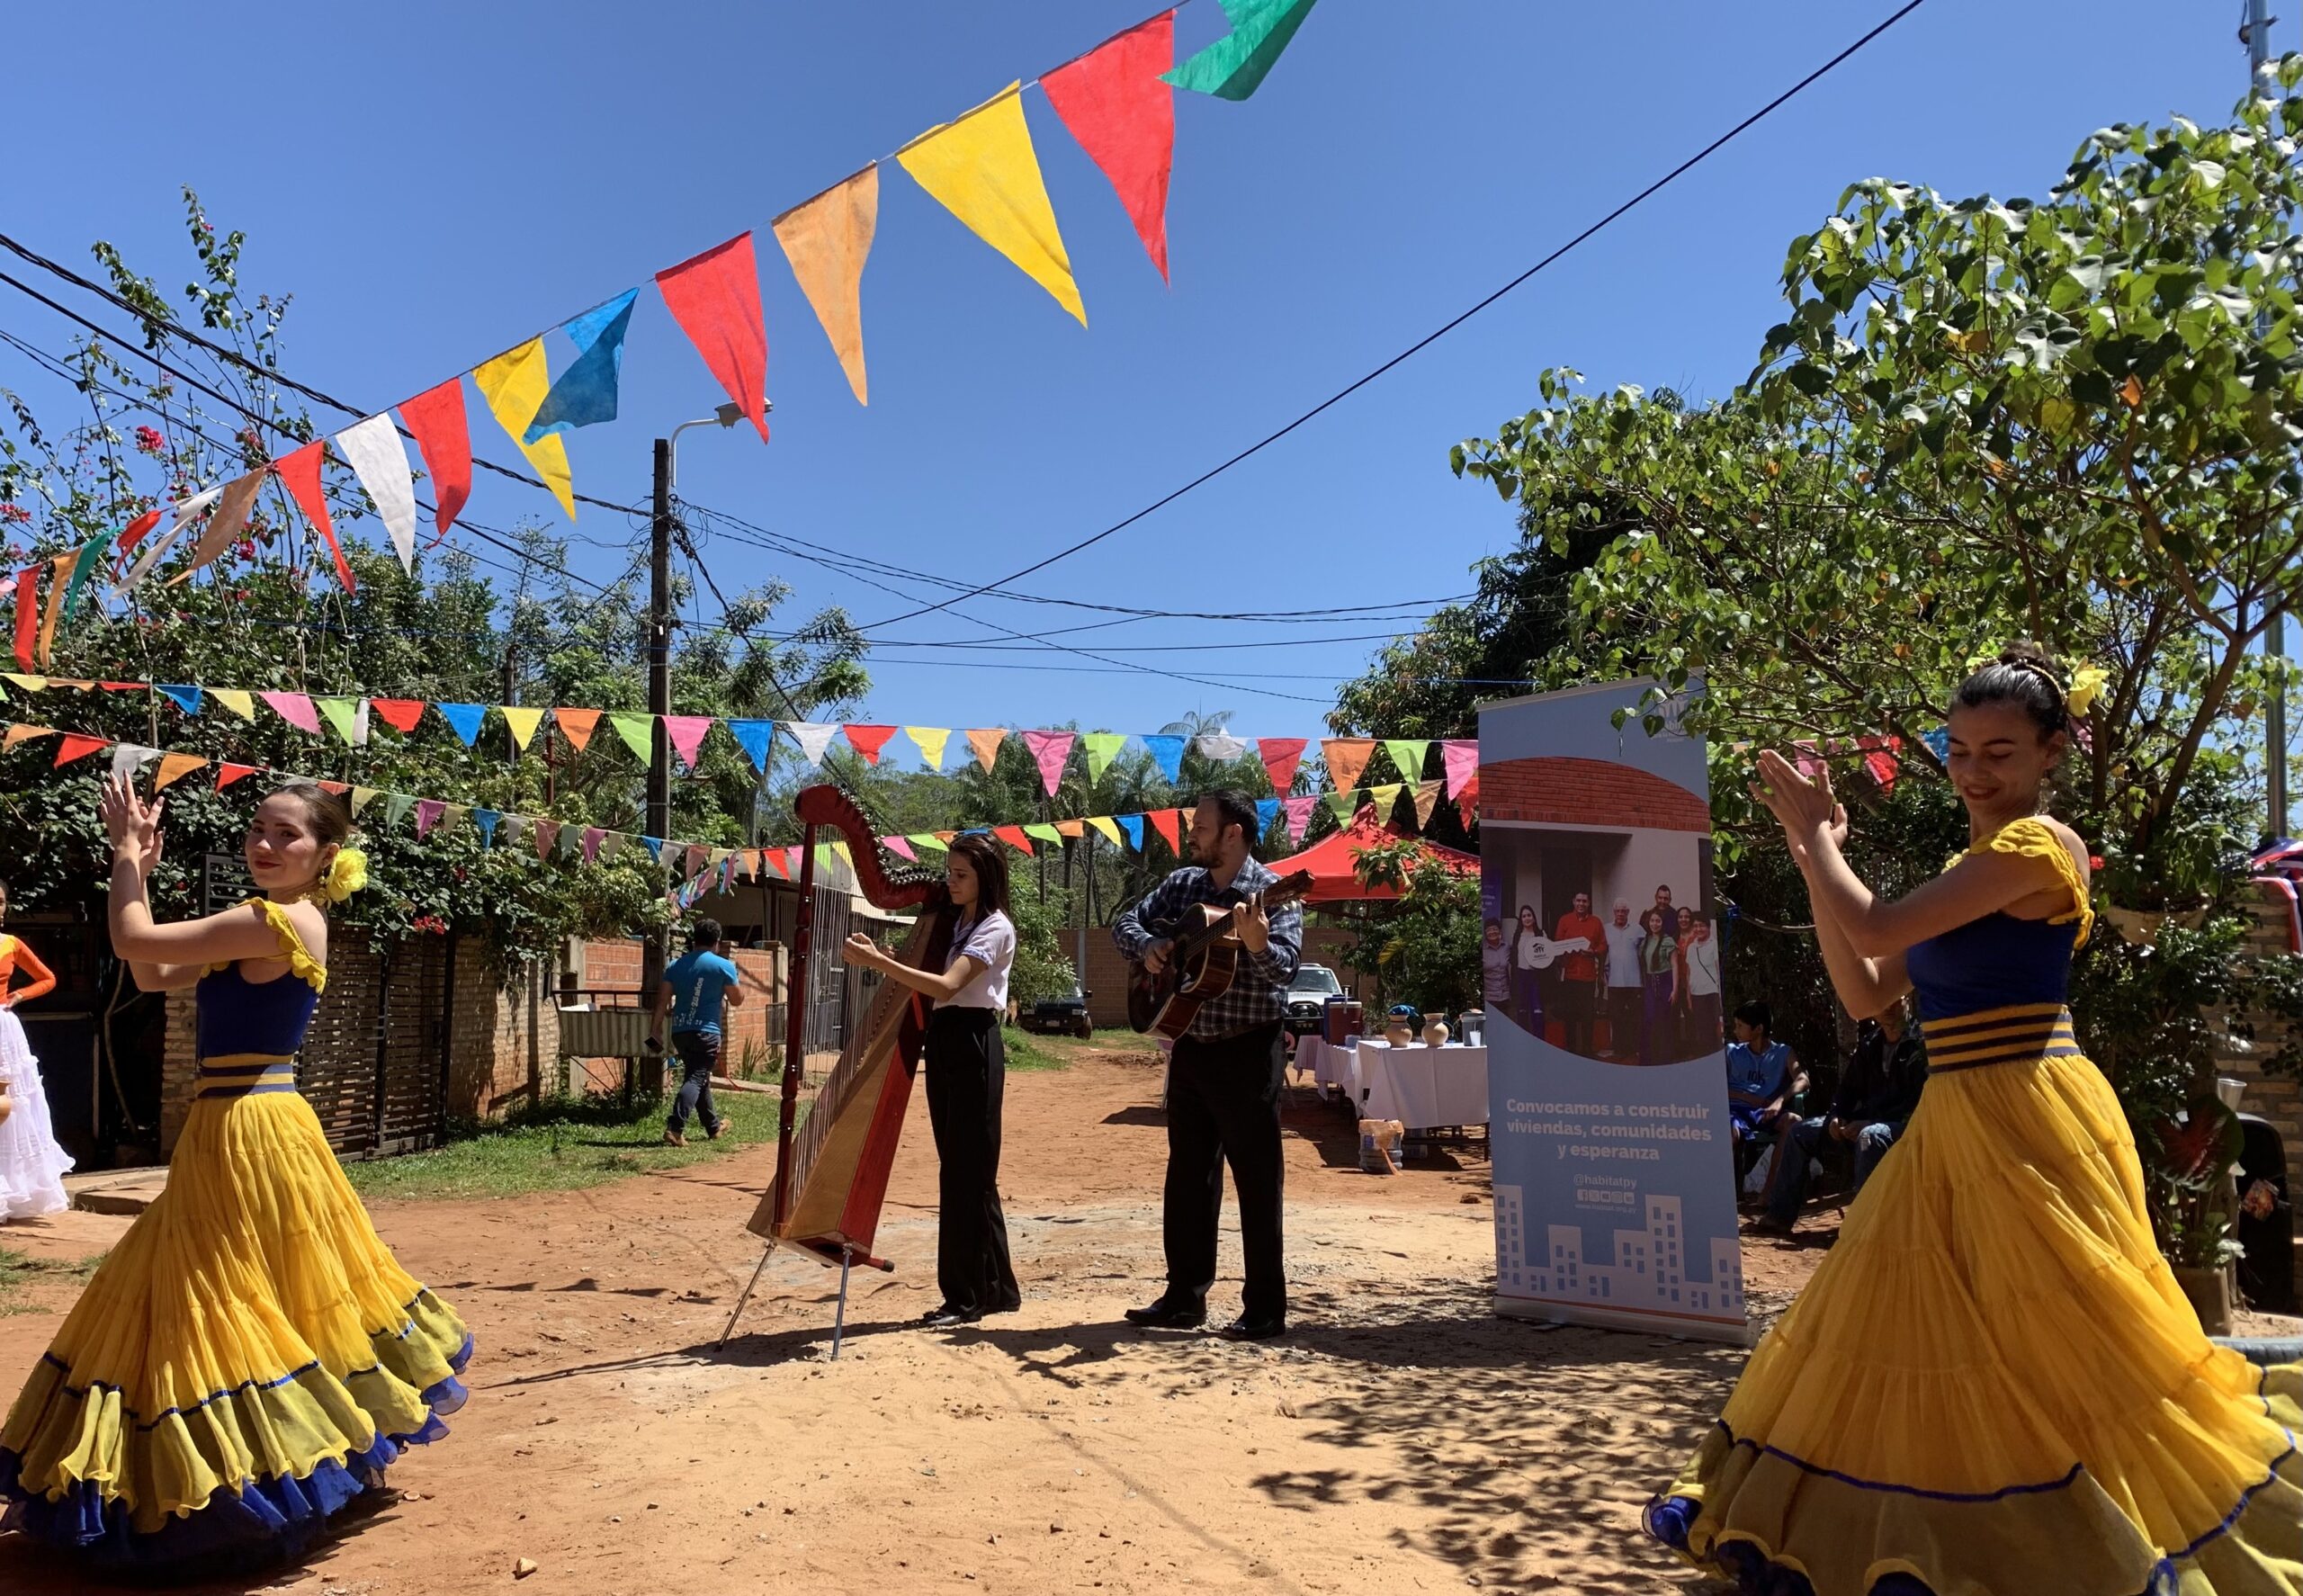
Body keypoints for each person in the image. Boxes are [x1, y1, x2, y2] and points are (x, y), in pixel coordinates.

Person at [1644, 648, 2302, 1590]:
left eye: (1999, 749)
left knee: (2066, 1336)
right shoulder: (1968, 866)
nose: (1973, 769)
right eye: (1957, 749)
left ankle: (2105, 1526)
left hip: (2031, 1110)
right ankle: (1991, 1529)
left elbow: (1872, 925)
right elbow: (1868, 982)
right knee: (1940, 1334)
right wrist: (1807, 849)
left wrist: (1826, 840)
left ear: (2048, 756)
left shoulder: (2041, 849)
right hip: (1956, 1116)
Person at [1, 777, 469, 1568]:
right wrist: (139, 874)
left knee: (209, 1293)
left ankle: (241, 1482)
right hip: (253, 1120)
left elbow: (131, 945)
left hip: (244, 1123)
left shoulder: (272, 919)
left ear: (325, 855)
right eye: (257, 828)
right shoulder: (275, 924)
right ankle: (291, 1463)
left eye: (286, 835)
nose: (263, 844)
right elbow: (153, 976)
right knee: (265, 1285)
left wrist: (123, 857)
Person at [1113, 790, 1304, 1340]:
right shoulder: (1183, 885)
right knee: (1189, 1176)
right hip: (1191, 1045)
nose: (1191, 834)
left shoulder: (1277, 895)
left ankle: (1265, 1309)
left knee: (1257, 1179)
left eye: (1201, 826)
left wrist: (1259, 943)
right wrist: (1148, 945)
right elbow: (1128, 920)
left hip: (1249, 1049)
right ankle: (1183, 1298)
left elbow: (1284, 973)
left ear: (1233, 835)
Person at [840, 833, 1021, 1327]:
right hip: (944, 1040)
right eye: (950, 871)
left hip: (974, 1043)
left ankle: (964, 1298)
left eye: (961, 874)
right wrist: (888, 956)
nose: (950, 881)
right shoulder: (954, 921)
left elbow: (946, 985)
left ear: (986, 877)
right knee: (968, 1170)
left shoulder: (994, 928)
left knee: (966, 1172)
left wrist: (880, 963)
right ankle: (999, 1288)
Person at [1753, 1000, 1926, 1236]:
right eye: (1881, 1000)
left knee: (1869, 1138)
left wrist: (1870, 1123)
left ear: (1907, 1000)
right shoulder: (1871, 1045)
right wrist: (1837, 1117)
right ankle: (1779, 1217)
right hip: (1866, 1122)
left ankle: (1864, 1231)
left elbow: (1920, 1101)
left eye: (1894, 1000)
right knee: (1800, 1132)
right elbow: (1847, 1091)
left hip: (1907, 1126)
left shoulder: (1921, 1044)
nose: (1887, 1007)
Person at [0, 879, 71, 1220]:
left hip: (3, 1030)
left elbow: (48, 978)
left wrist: (20, 995)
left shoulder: (11, 944)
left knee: (10, 1107)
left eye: (0, 902)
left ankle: (11, 1190)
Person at [652, 918, 745, 1147]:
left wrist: (655, 1029)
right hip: (707, 1032)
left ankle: (713, 1127)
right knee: (695, 1077)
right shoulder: (723, 966)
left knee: (699, 1076)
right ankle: (675, 1127)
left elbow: (663, 1000)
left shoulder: (675, 965)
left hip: (681, 1031)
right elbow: (736, 1000)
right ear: (717, 942)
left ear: (694, 940)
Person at [1723, 1000, 1797, 1144]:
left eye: (1740, 1026)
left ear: (1758, 1029)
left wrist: (1779, 1101)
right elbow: (1714, 1088)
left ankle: (1774, 1168)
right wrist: (1747, 1098)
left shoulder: (1783, 1052)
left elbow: (1803, 1080)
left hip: (1764, 1112)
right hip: (1735, 1111)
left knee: (1793, 1122)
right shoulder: (1731, 1051)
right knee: (1728, 1133)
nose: (1735, 1030)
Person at [1552, 891, 1608, 1055]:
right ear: (1573, 902)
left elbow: (1603, 945)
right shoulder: (1565, 920)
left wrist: (1594, 951)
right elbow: (1557, 943)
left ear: (1589, 903)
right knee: (1569, 1014)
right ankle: (1571, 1049)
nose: (1581, 904)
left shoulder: (1596, 922)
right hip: (1569, 975)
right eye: (1578, 901)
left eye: (1584, 901)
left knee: (1587, 1016)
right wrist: (1565, 949)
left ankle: (1587, 1050)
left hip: (1588, 976)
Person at [1677, 910, 1722, 1060]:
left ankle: (1714, 1059)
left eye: (1702, 926)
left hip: (1712, 994)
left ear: (1708, 927)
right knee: (1702, 1031)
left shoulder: (1714, 945)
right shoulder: (1691, 947)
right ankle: (1706, 1059)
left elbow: (1717, 970)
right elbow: (1689, 974)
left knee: (1713, 1030)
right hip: (1697, 995)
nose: (1698, 929)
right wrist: (1689, 998)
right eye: (1695, 926)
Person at [1635, 908, 1677, 1066]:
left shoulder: (1668, 941)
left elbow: (1675, 966)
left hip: (1665, 983)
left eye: (1658, 921)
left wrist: (1675, 989)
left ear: (1662, 923)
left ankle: (1664, 1059)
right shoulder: (1645, 941)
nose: (1655, 924)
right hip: (1649, 986)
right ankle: (1647, 1059)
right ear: (1648, 922)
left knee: (1664, 1022)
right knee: (1648, 1021)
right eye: (1652, 921)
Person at [1603, 900, 1644, 1061]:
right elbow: (1601, 951)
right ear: (1614, 912)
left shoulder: (1638, 930)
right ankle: (1619, 1048)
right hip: (1614, 982)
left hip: (1634, 982)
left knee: (1635, 1017)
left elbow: (1646, 948)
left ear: (1628, 913)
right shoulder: (1606, 929)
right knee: (1617, 1017)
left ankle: (1634, 1048)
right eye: (1618, 911)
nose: (1620, 914)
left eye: (1623, 911)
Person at [1510, 904, 1548, 1042]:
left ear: (1534, 917)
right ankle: (1524, 1042)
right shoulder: (1517, 935)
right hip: (1521, 976)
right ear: (1521, 919)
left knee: (1537, 1011)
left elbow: (1547, 956)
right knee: (1522, 1010)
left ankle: (1539, 1042)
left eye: (1529, 915)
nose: (1527, 918)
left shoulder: (1541, 933)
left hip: (1536, 977)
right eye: (1524, 916)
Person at [1480, 919, 1512, 1018]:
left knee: (1504, 1025)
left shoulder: (1507, 947)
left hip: (1505, 996)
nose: (1492, 932)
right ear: (1485, 933)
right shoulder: (1482, 949)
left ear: (1500, 931)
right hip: (1489, 997)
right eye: (1489, 930)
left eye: (1495, 929)